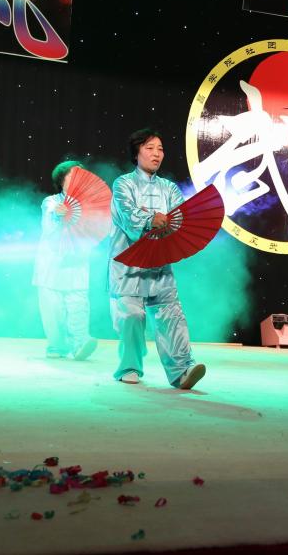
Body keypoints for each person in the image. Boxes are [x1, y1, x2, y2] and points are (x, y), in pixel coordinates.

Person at [109, 128, 206, 389]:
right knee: (131, 315)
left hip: (160, 263)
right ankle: (129, 367)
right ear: (136, 153)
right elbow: (127, 215)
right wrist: (150, 219)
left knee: (171, 314)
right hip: (129, 263)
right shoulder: (123, 184)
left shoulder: (169, 188)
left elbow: (180, 217)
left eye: (160, 149)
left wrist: (171, 224)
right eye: (150, 148)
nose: (156, 154)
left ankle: (182, 370)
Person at [32, 160, 98, 361]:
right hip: (52, 266)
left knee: (78, 304)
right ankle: (57, 346)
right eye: (72, 176)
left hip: (77, 264)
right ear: (62, 180)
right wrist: (57, 215)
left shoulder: (90, 206)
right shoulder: (51, 202)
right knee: (53, 310)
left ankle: (80, 343)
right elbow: (48, 226)